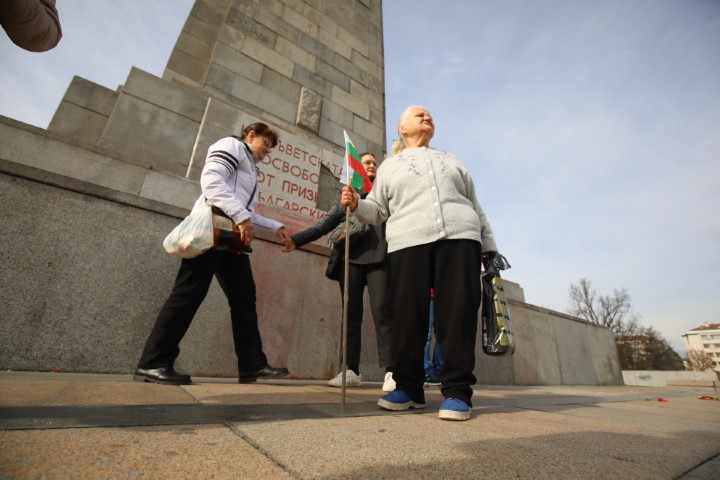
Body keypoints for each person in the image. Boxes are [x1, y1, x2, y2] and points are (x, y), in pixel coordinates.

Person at [341, 105, 501, 421]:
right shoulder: (389, 166)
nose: (427, 117)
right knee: (406, 316)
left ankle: (457, 392)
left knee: (456, 316)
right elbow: (377, 211)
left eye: (429, 115)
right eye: (418, 114)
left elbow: (476, 206)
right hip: (406, 243)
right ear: (402, 128)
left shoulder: (451, 160)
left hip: (461, 237)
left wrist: (490, 248)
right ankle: (409, 389)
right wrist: (358, 204)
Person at [135, 123, 290, 386]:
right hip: (211, 230)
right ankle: (154, 362)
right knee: (188, 292)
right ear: (251, 135)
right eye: (266, 145)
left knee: (244, 298)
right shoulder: (231, 146)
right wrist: (241, 217)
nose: (267, 152)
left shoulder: (251, 168)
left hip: (231, 238)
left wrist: (277, 228)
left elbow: (245, 210)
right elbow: (211, 182)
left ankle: (252, 364)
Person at [283, 153, 395, 392]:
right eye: (366, 163)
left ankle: (392, 371)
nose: (372, 165)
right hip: (350, 259)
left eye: (374, 163)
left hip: (380, 258)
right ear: (357, 168)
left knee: (383, 313)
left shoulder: (385, 190)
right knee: (350, 316)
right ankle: (350, 370)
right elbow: (325, 224)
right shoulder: (347, 193)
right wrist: (297, 240)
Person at [423, 288, 442, 387]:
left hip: (444, 295)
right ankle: (426, 371)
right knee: (427, 334)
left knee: (442, 335)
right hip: (428, 294)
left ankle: (439, 370)